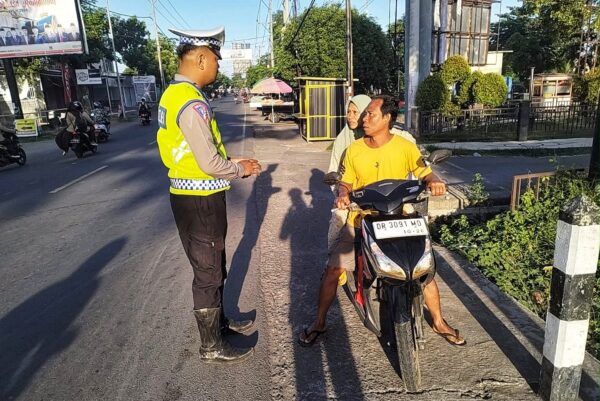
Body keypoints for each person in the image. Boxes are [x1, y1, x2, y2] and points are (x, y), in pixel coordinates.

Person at [299, 95, 466, 347]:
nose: (364, 119)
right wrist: (343, 194)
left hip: (400, 216)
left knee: (425, 269)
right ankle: (319, 322)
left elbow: (424, 171)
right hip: (362, 217)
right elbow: (345, 181)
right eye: (364, 114)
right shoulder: (354, 150)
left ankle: (439, 321)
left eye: (370, 115)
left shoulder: (405, 146)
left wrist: (434, 181)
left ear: (387, 118)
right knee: (334, 269)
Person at [156, 26, 262, 364]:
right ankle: (211, 346)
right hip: (199, 200)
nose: (217, 66)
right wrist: (240, 168)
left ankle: (220, 326)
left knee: (214, 264)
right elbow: (209, 162)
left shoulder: (174, 94)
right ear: (201, 58)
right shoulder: (190, 102)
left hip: (191, 196)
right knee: (208, 272)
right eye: (216, 59)